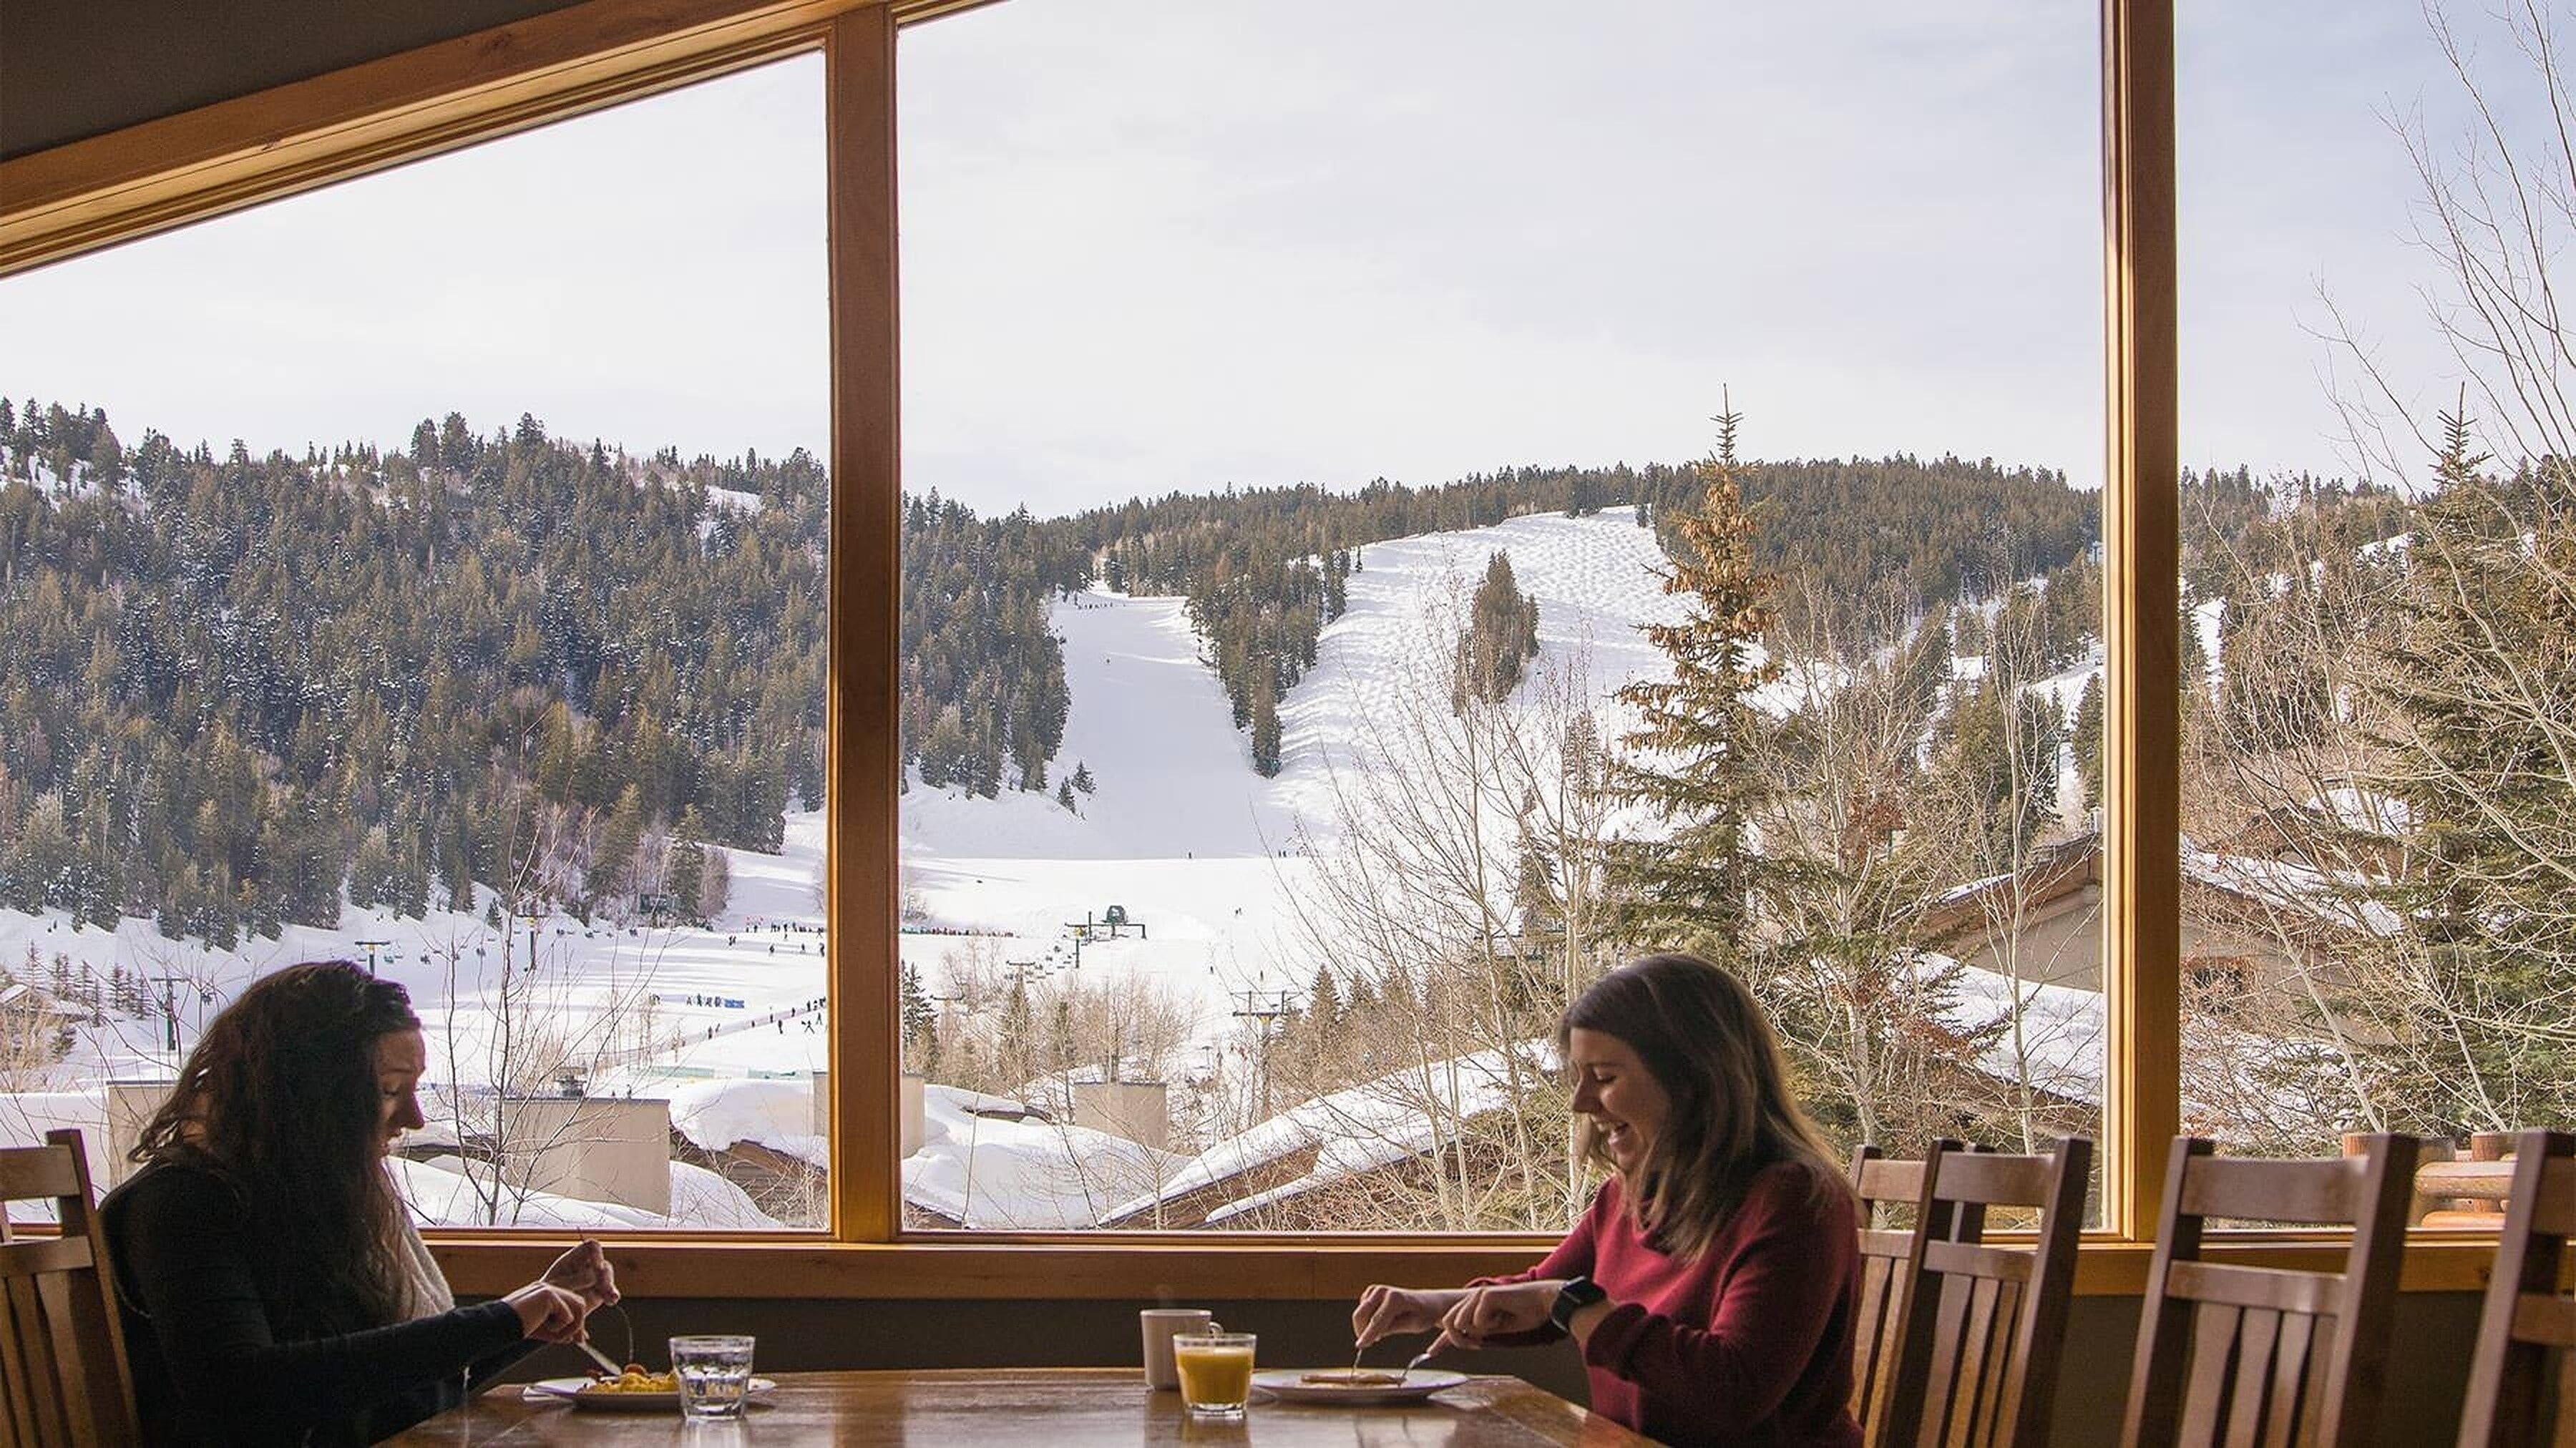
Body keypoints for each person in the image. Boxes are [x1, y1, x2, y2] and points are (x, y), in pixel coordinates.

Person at [1352, 953, 1862, 1448]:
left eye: (1606, 1078)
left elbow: (1731, 1389)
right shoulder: (1626, 1197)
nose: (1580, 1103)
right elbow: (1541, 1295)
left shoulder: (1796, 1202)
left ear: (1695, 1077)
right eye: (1578, 1078)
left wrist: (1567, 1303)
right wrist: (1433, 1305)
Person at [101, 961, 621, 1445]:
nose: (415, 1119)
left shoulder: (309, 1197)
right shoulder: (183, 1204)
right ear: (309, 1098)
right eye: (391, 1090)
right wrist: (499, 1322)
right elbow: (241, 1391)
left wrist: (531, 1314)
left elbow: (384, 1383)